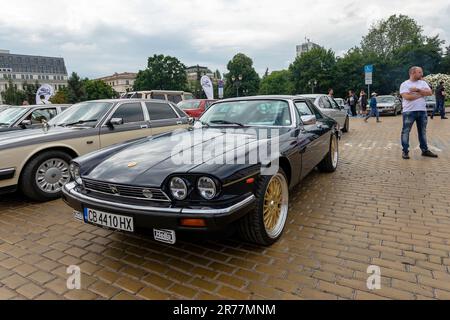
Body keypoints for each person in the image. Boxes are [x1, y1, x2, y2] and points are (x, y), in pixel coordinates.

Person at [400, 66, 438, 160]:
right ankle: (405, 151)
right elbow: (407, 97)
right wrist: (421, 94)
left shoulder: (423, 83)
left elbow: (430, 93)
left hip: (422, 111)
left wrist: (417, 91)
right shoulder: (405, 84)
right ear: (413, 73)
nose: (422, 74)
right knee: (406, 131)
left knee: (422, 132)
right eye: (420, 72)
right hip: (409, 111)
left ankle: (424, 150)